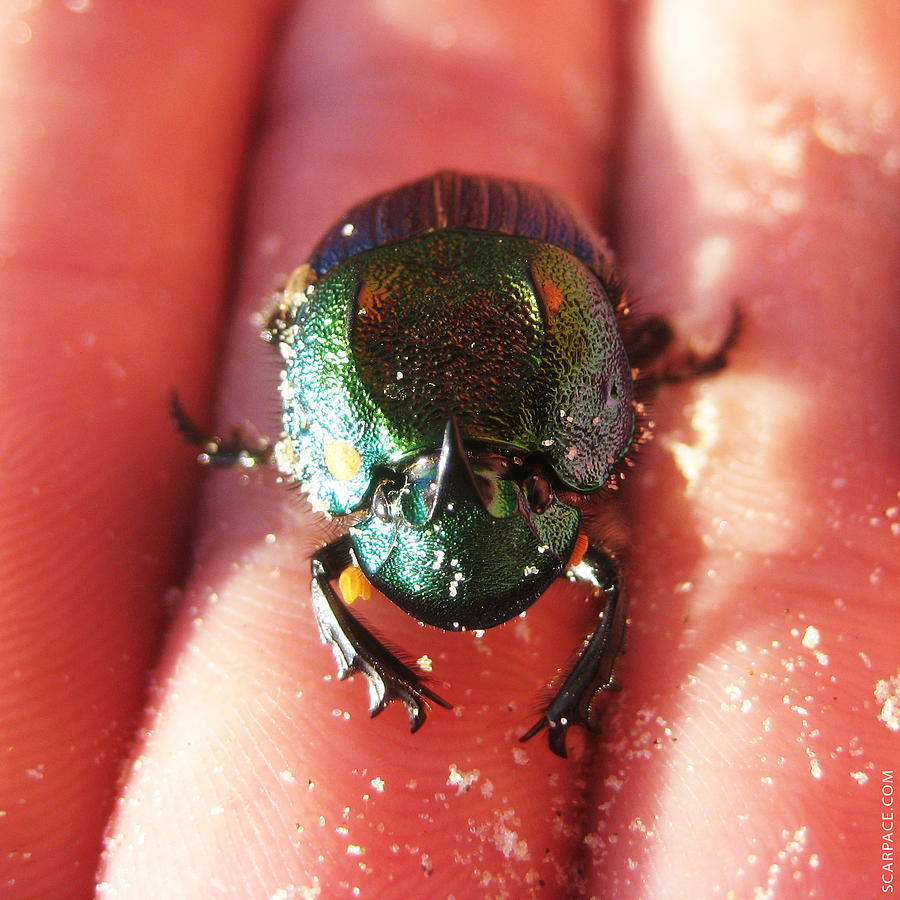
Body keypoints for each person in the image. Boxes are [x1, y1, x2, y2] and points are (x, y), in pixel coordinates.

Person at [1, 2, 896, 897]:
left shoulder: (544, 381)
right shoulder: (414, 425)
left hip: (468, 263)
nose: (461, 490)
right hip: (433, 270)